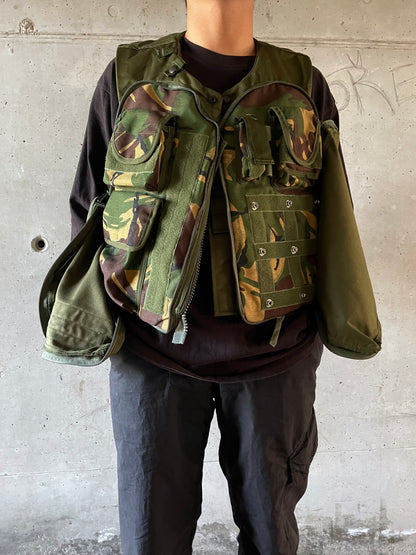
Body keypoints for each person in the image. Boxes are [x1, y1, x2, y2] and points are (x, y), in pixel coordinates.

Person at [69, 1, 342, 553]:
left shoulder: (303, 83)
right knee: (151, 537)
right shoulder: (128, 77)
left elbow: (331, 212)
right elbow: (90, 210)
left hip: (277, 354)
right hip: (150, 351)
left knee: (271, 536)